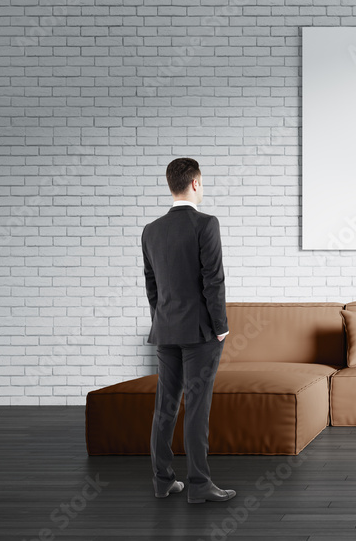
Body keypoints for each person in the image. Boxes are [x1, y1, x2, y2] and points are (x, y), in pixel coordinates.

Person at [142, 158, 236, 504]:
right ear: (195, 183)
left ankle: (162, 481)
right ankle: (199, 485)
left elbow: (151, 286)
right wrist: (221, 326)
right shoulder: (206, 224)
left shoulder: (150, 230)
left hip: (165, 330)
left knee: (164, 407)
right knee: (197, 407)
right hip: (200, 333)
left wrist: (161, 320)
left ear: (171, 185)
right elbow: (214, 280)